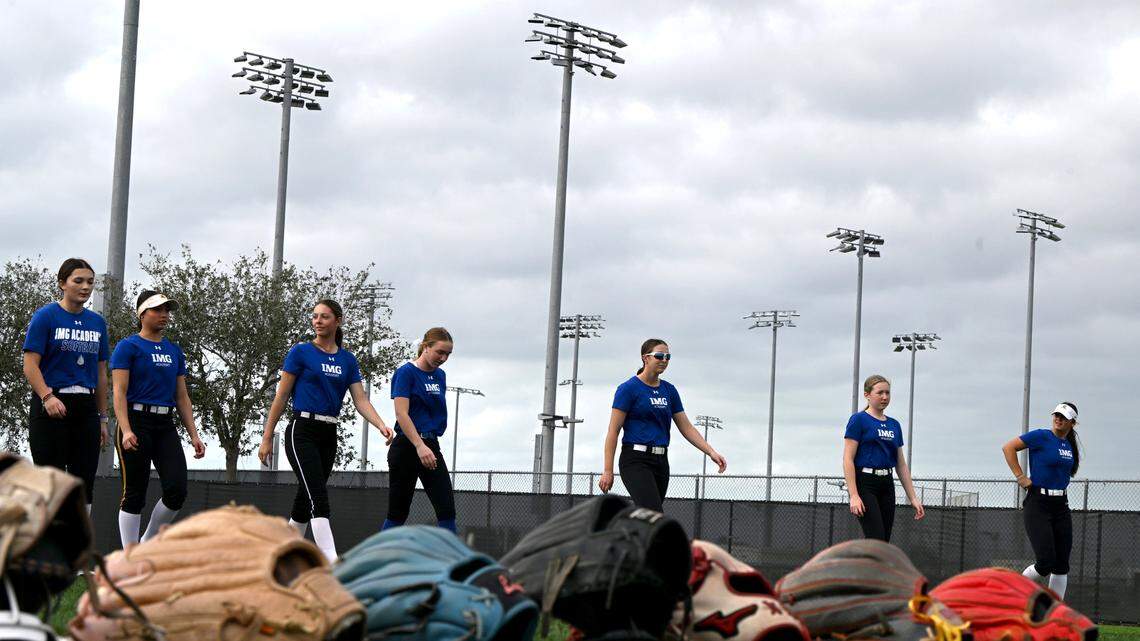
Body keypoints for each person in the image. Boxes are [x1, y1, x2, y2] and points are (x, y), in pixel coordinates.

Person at [259, 299, 393, 561]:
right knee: (318, 498)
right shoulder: (301, 352)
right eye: (315, 316)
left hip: (328, 434)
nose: (318, 321)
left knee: (304, 499)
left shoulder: (347, 360)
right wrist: (267, 437)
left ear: (338, 321)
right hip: (302, 430)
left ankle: (280, 559)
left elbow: (360, 400)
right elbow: (281, 395)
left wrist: (380, 424)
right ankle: (332, 563)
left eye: (324, 317)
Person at [111, 290, 206, 547]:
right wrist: (127, 430)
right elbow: (118, 392)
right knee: (134, 494)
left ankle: (147, 543)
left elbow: (182, 397)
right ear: (142, 314)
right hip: (135, 421)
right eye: (157, 309)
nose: (164, 315)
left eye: (167, 310)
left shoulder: (174, 351)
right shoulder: (128, 346)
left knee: (177, 491)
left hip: (165, 425)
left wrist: (194, 434)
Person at [22, 258, 110, 515]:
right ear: (62, 283)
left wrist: (103, 418)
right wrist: (47, 396)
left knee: (84, 484)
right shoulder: (45, 316)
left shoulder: (97, 323)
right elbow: (30, 365)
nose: (85, 287)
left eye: (90, 282)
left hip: (86, 407)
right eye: (78, 281)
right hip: (51, 404)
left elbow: (101, 373)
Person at [599, 339, 727, 512]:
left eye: (667, 357)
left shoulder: (669, 390)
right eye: (659, 356)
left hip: (660, 461)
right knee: (654, 514)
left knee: (649, 516)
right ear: (645, 358)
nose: (664, 360)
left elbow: (686, 427)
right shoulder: (628, 389)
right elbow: (613, 431)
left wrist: (710, 451)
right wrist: (608, 470)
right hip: (635, 459)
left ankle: (624, 533)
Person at [381, 327, 458, 532]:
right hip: (407, 446)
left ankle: (451, 562)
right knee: (398, 513)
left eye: (448, 354)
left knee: (447, 510)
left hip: (431, 445)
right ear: (426, 347)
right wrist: (419, 445)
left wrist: (427, 445)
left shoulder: (440, 376)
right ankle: (376, 559)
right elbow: (401, 414)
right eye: (439, 352)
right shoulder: (406, 372)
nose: (443, 358)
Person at [1002, 401, 1081, 599]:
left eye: (1063, 417)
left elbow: (1066, 472)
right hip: (1038, 503)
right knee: (1045, 562)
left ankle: (1054, 616)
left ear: (1072, 422)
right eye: (1056, 415)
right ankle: (1015, 593)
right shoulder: (1041, 436)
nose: (1058, 419)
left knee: (1061, 564)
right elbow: (1008, 447)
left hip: (1061, 506)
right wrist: (1020, 476)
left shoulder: (1068, 444)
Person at [842, 374, 925, 541]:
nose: (885, 397)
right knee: (876, 538)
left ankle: (870, 567)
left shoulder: (894, 425)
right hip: (865, 484)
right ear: (867, 394)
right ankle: (864, 567)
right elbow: (847, 459)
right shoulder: (859, 420)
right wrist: (854, 495)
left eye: (887, 393)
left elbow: (900, 464)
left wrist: (913, 498)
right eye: (880, 392)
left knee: (884, 541)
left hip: (886, 484)